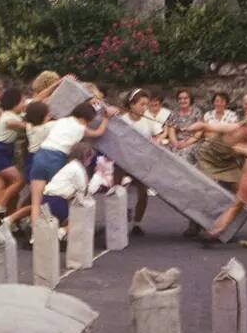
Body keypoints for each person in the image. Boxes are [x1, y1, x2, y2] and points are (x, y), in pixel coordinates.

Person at [27, 100, 113, 232]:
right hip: (57, 158)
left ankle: (34, 234)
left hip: (41, 154)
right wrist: (106, 117)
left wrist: (89, 101)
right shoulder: (82, 128)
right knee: (57, 193)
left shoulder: (61, 121)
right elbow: (99, 133)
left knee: (36, 202)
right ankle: (57, 230)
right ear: (87, 119)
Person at [6, 142, 96, 238]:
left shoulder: (69, 166)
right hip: (59, 202)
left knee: (36, 207)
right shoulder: (79, 170)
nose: (90, 162)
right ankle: (62, 231)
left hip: (47, 196)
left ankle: (10, 219)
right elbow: (84, 191)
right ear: (86, 157)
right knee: (82, 215)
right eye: (90, 158)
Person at [0, 87, 27, 226]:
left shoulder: (14, 114)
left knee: (1, 190)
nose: (25, 103)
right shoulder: (9, 116)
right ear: (15, 103)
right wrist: (31, 124)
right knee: (19, 181)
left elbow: (37, 100)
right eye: (22, 101)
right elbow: (14, 124)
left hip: (2, 152)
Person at [120, 88, 156, 236]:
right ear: (132, 104)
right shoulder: (122, 120)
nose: (145, 108)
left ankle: (137, 223)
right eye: (142, 104)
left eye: (146, 105)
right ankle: (120, 215)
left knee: (143, 193)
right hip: (123, 161)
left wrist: (155, 142)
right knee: (119, 190)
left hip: (142, 161)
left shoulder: (148, 120)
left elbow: (159, 135)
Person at [168, 89, 204, 163]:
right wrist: (175, 143)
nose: (182, 101)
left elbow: (199, 132)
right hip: (176, 142)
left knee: (184, 155)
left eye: (185, 98)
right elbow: (171, 130)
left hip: (192, 142)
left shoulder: (197, 112)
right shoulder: (174, 113)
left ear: (190, 99)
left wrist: (186, 143)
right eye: (180, 98)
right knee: (166, 153)